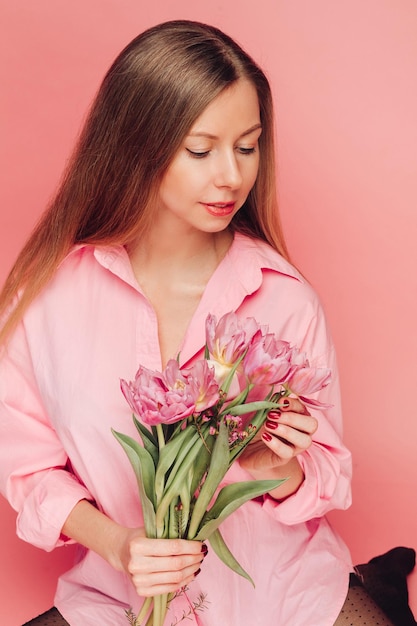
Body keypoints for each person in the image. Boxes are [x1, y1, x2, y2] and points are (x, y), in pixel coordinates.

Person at [0, 20, 394, 626]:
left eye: (247, 146)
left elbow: (330, 471)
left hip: (281, 595)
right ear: (139, 144)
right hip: (119, 599)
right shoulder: (46, 300)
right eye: (201, 150)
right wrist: (117, 544)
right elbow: (25, 468)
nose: (232, 177)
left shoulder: (286, 300)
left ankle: (379, 585)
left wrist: (281, 470)